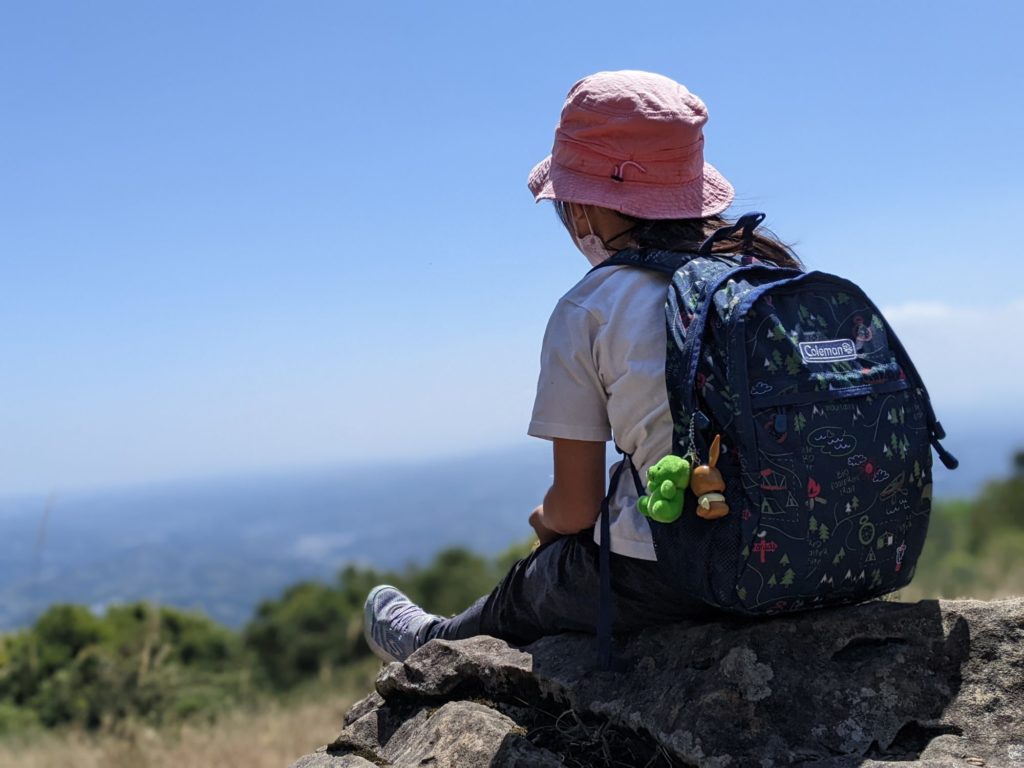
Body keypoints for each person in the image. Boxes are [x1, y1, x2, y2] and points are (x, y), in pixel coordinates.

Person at [362, 70, 801, 663]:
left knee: (529, 590)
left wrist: (545, 521)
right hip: (810, 545)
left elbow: (577, 507)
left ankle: (429, 644)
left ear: (586, 210)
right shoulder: (763, 269)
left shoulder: (591, 307)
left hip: (683, 571)